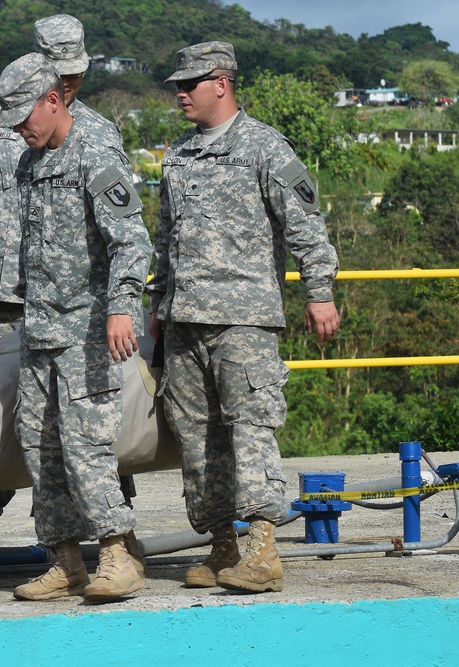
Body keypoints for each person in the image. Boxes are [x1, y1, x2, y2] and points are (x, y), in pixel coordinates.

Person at [0, 12, 143, 562]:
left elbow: (125, 232)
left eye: (74, 77)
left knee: (85, 420)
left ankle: (113, 532)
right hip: (1, 297)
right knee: (5, 417)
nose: (68, 85)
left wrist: (121, 303)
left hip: (72, 305)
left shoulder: (97, 135)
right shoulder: (1, 122)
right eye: (59, 74)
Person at [148, 41, 341, 593]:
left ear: (222, 83)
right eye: (177, 86)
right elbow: (166, 236)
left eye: (190, 84)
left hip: (244, 317)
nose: (181, 94)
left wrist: (319, 292)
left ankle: (263, 551)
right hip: (185, 320)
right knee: (195, 436)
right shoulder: (179, 155)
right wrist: (158, 303)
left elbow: (306, 224)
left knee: (251, 428)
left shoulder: (265, 146)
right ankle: (221, 547)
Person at [0, 53, 153, 602]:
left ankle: (117, 556)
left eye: (24, 116)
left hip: (87, 330)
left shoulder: (95, 155)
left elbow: (132, 241)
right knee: (39, 445)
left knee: (87, 446)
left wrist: (121, 307)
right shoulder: (28, 162)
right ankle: (64, 562)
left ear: (54, 99)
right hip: (40, 330)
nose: (19, 128)